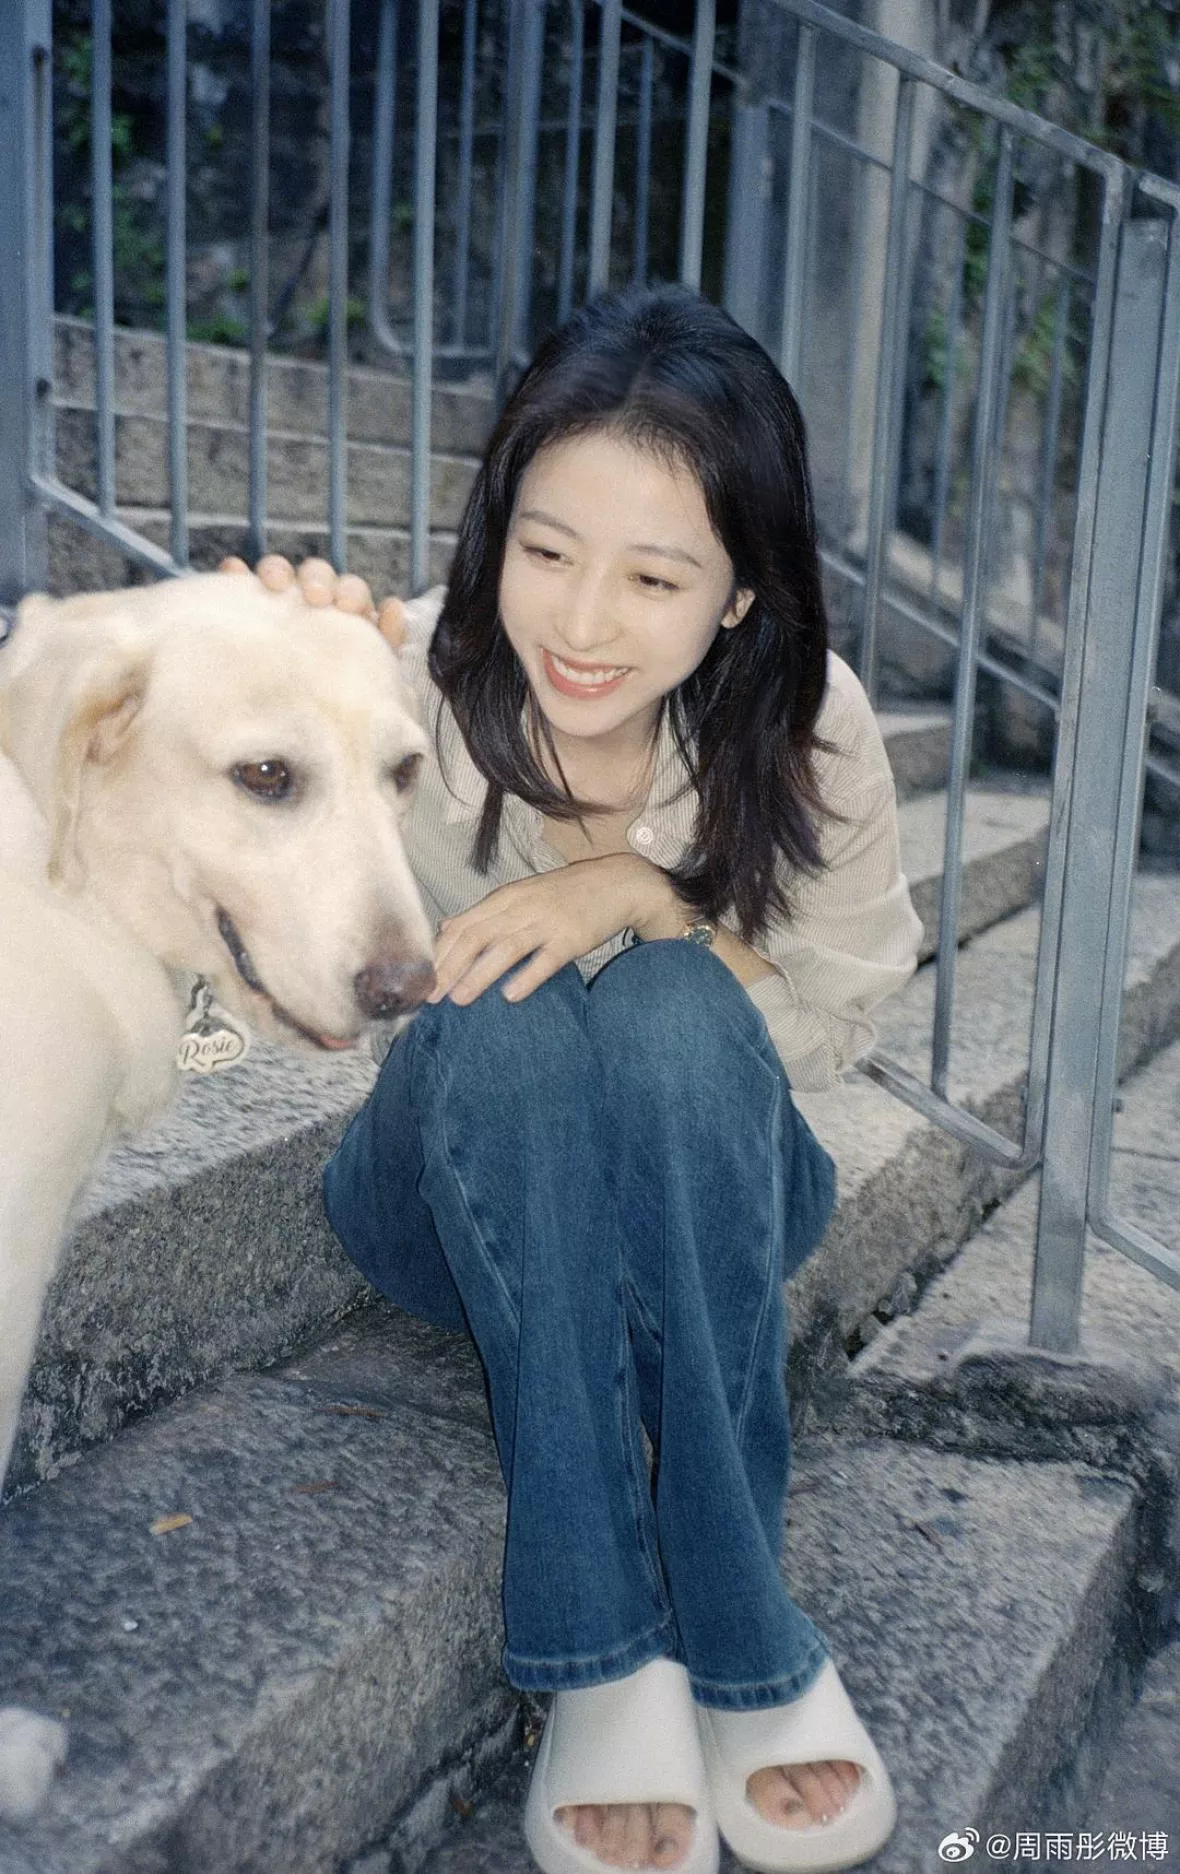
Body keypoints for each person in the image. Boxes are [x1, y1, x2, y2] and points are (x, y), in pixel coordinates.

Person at [239, 284, 922, 1874]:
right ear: (496, 533)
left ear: (742, 595)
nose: (584, 621)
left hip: (708, 1182)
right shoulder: (387, 681)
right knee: (511, 1009)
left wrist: (647, 897)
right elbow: (227, 990)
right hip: (458, 1181)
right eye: (546, 551)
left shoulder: (810, 732)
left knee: (677, 1003)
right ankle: (611, 1650)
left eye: (655, 574)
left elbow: (833, 1023)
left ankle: (738, 1628)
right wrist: (249, 693)